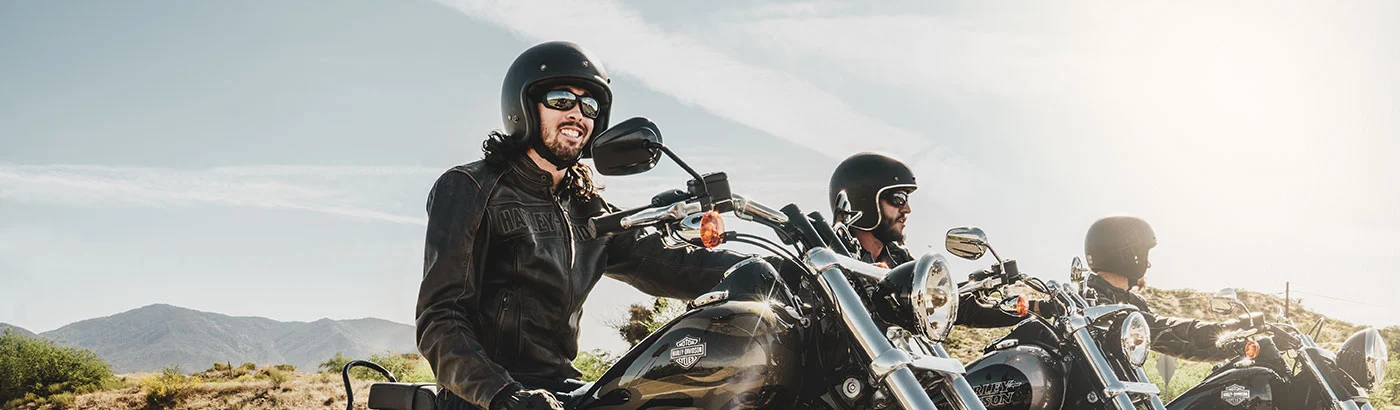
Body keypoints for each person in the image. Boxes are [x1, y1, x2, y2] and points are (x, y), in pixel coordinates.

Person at [417, 41, 748, 410]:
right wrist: (504, 395)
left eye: (589, 105)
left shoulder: (589, 208)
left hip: (563, 390)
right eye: (562, 99)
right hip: (487, 396)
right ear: (524, 107)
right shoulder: (472, 188)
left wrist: (755, 269)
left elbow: (671, 263)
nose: (578, 114)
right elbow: (441, 319)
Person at [827, 152, 1027, 328]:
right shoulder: (830, 261)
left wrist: (1030, 308)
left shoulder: (899, 258)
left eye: (906, 200)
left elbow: (948, 304)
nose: (907, 210)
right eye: (898, 199)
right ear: (865, 199)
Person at [1083, 216, 1261, 362]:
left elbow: (1182, 343)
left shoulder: (1133, 302)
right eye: (1145, 256)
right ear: (1129, 256)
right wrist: (1229, 327)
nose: (1149, 264)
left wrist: (1235, 343)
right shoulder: (1090, 300)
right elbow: (1164, 329)